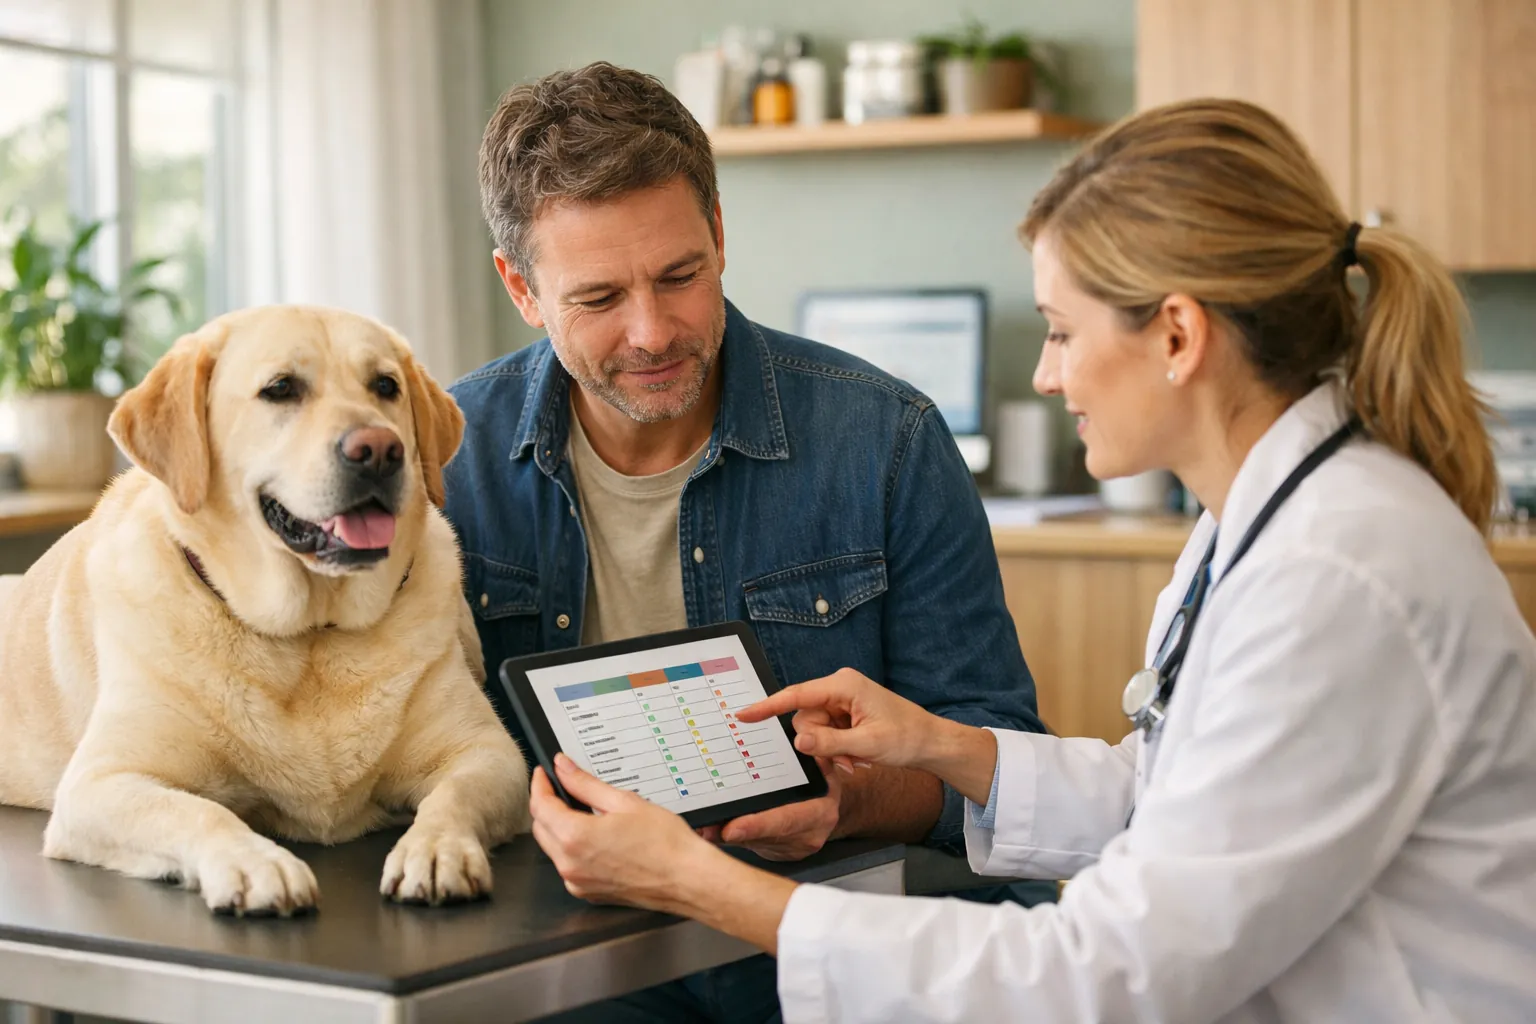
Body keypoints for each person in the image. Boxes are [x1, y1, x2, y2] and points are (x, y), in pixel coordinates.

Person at [528, 97, 1536, 1022]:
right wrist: (938, 744)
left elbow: (1103, 974)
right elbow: (1169, 796)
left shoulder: (1337, 576)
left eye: (1060, 332)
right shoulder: (1264, 525)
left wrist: (693, 880)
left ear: (1177, 335)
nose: (1048, 376)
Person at [444, 62, 1051, 1022]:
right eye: (598, 299)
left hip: (831, 947)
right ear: (521, 287)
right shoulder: (445, 462)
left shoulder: (885, 439)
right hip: (568, 962)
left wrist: (849, 802)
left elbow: (1003, 757)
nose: (652, 332)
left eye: (680, 276)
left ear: (720, 235)